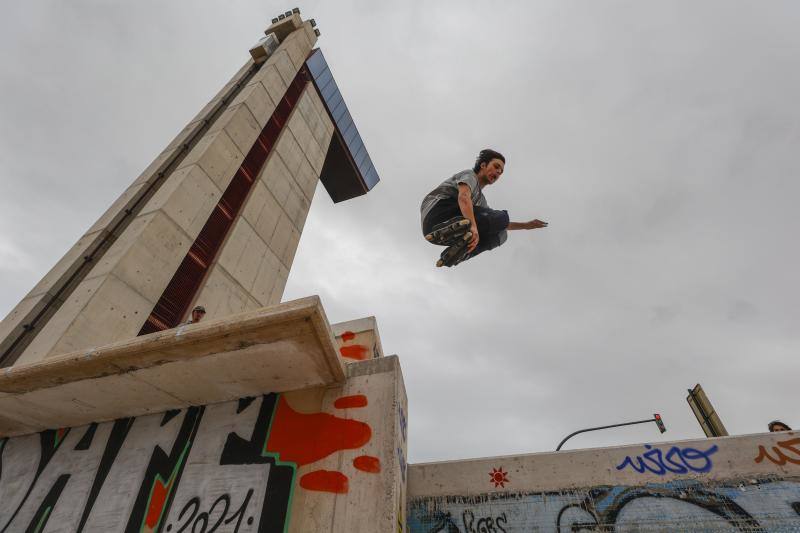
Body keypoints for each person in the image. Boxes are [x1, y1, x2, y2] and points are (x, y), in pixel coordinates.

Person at [420, 149, 548, 267]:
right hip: (438, 210)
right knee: (502, 216)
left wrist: (525, 225)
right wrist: (473, 227)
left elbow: (499, 223)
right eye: (496, 167)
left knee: (502, 233)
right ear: (483, 165)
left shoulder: (481, 201)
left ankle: (459, 253)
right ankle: (454, 229)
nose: (498, 172)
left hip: (430, 231)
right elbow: (464, 197)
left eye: (501, 172)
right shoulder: (470, 175)